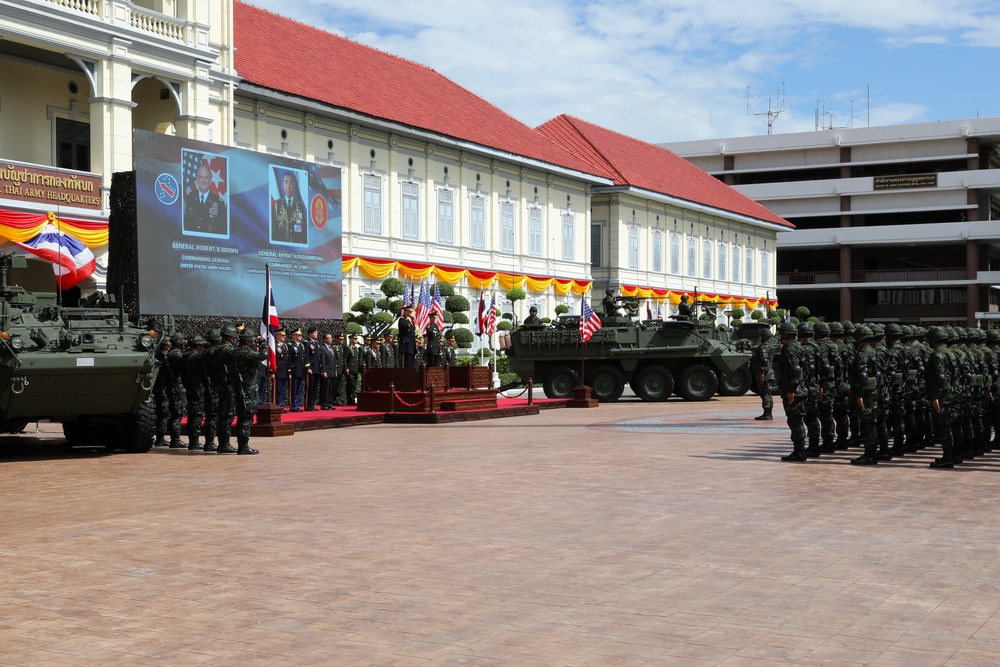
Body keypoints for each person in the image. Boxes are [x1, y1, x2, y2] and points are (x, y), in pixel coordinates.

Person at [231, 328, 265, 455]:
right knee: (246, 417)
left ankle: (242, 444)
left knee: (242, 417)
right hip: (248, 387)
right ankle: (243, 446)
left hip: (241, 386)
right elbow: (262, 356)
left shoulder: (235, 351)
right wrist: (264, 344)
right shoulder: (246, 351)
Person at [183, 162, 227, 235]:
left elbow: (222, 230)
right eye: (201, 177)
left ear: (210, 181)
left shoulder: (219, 203)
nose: (203, 181)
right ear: (197, 179)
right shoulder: (189, 198)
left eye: (206, 177)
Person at [272, 171, 307, 244]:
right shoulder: (277, 205)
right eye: (286, 183)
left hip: (297, 248)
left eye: (290, 183)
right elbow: (274, 230)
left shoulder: (300, 206)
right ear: (282, 186)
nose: (288, 186)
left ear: (294, 186)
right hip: (281, 248)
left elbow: (304, 232)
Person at [751, 328, 774, 420]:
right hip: (770, 373)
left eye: (761, 335)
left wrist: (762, 372)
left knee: (765, 393)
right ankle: (768, 413)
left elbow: (764, 360)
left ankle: (767, 414)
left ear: (763, 337)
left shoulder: (763, 346)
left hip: (765, 373)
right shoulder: (770, 346)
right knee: (768, 393)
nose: (759, 337)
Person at [318, 333, 339, 410]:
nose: (330, 339)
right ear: (325, 339)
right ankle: (324, 404)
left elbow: (334, 361)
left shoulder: (332, 348)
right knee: (325, 389)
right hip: (326, 372)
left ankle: (329, 403)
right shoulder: (323, 348)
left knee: (331, 389)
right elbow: (322, 361)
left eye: (331, 338)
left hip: (332, 372)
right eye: (328, 338)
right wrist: (323, 371)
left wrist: (335, 370)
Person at [288, 329, 306, 411]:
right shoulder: (291, 345)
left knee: (299, 389)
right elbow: (289, 360)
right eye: (298, 335)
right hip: (294, 370)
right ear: (294, 336)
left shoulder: (301, 346)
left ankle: (297, 405)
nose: (300, 337)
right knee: (294, 388)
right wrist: (289, 371)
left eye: (301, 335)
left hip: (301, 370)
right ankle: (294, 405)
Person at [304, 327, 321, 410]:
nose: (316, 334)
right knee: (310, 387)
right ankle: (308, 405)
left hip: (317, 368)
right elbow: (306, 356)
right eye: (314, 333)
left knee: (315, 388)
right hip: (311, 369)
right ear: (310, 334)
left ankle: (313, 404)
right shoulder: (307, 343)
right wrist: (308, 367)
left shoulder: (317, 343)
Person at [273, 329, 289, 409]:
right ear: (278, 335)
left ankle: (281, 405)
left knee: (283, 390)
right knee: (278, 389)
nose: (284, 337)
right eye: (282, 335)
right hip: (278, 370)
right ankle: (277, 406)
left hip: (284, 370)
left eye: (284, 335)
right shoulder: (275, 345)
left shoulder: (284, 346)